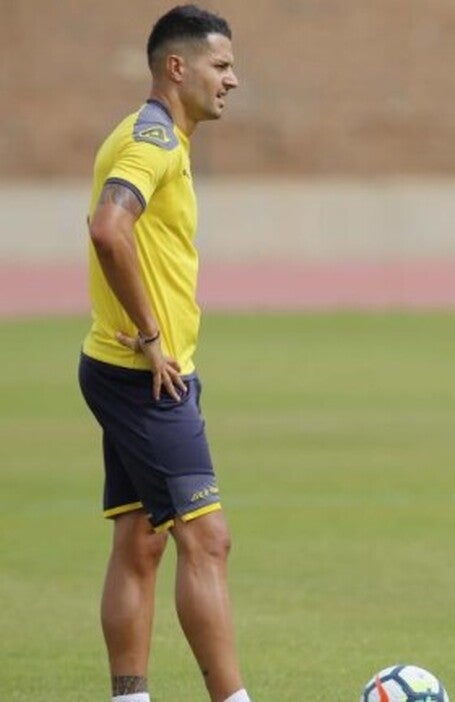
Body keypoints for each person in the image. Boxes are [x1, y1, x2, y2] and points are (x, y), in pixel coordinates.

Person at [77, 5, 249, 702]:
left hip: (124, 370)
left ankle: (130, 698)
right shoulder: (154, 141)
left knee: (141, 539)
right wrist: (152, 337)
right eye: (221, 65)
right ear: (177, 68)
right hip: (147, 378)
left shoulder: (146, 133)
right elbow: (108, 230)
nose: (233, 79)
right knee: (207, 540)